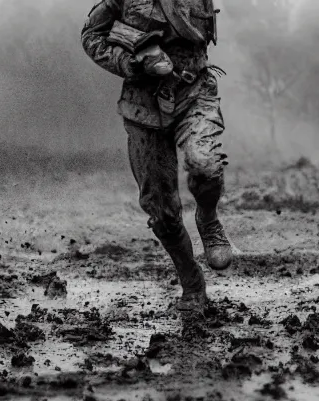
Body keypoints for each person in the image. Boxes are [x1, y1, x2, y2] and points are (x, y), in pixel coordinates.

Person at [81, 0, 232, 313]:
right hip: (142, 104)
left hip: (195, 92)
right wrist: (131, 61)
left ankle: (208, 217)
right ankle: (192, 284)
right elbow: (91, 36)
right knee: (161, 210)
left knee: (204, 162)